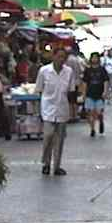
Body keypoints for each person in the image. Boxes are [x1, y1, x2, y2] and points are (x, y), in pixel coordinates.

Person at [36, 46, 77, 175]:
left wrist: (71, 111)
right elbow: (39, 89)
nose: (61, 60)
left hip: (62, 109)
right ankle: (46, 162)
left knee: (59, 140)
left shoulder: (69, 72)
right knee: (48, 136)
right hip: (48, 108)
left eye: (63, 57)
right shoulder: (44, 71)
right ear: (53, 56)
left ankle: (57, 166)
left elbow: (71, 91)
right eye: (59, 56)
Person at [81, 52, 110, 137]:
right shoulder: (88, 70)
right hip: (90, 94)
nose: (94, 59)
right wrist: (84, 93)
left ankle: (100, 121)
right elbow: (84, 82)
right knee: (90, 112)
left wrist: (105, 91)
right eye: (93, 57)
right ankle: (92, 129)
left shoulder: (102, 70)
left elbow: (105, 81)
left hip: (99, 94)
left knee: (98, 112)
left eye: (96, 57)